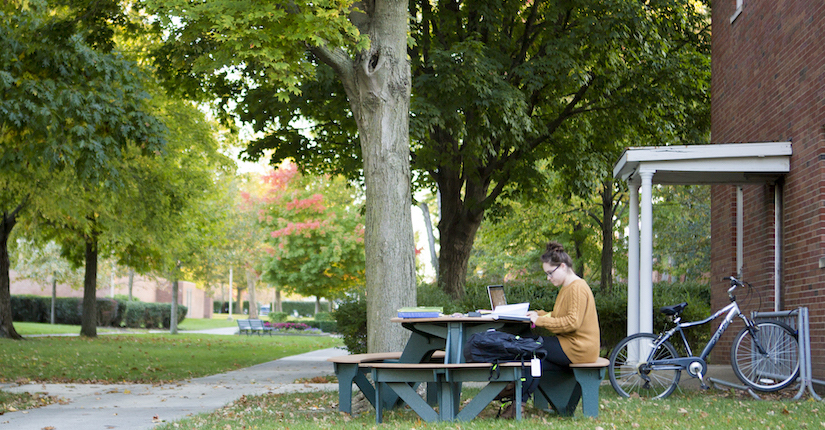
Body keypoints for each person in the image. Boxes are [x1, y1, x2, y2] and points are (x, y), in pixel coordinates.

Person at [500, 241, 600, 419]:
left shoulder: (576, 288)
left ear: (562, 266)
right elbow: (558, 315)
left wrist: (540, 321)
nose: (548, 278)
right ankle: (518, 404)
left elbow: (572, 323)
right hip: (572, 345)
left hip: (578, 348)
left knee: (529, 346)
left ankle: (513, 395)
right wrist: (537, 314)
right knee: (533, 359)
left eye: (549, 273)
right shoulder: (568, 287)